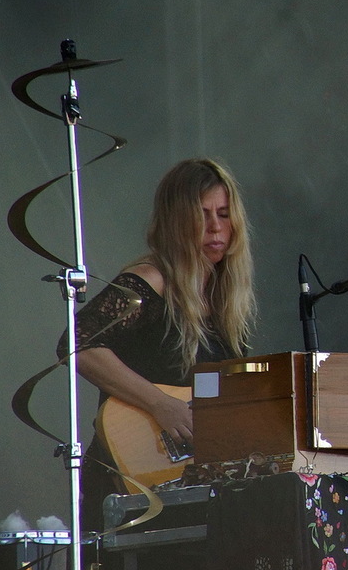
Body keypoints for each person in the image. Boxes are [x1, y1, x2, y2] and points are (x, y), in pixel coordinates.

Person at [57, 157, 257, 531]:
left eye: (225, 214)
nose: (216, 227)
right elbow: (78, 344)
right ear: (178, 221)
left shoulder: (226, 301)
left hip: (189, 482)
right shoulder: (150, 280)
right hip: (131, 478)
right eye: (203, 215)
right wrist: (162, 406)